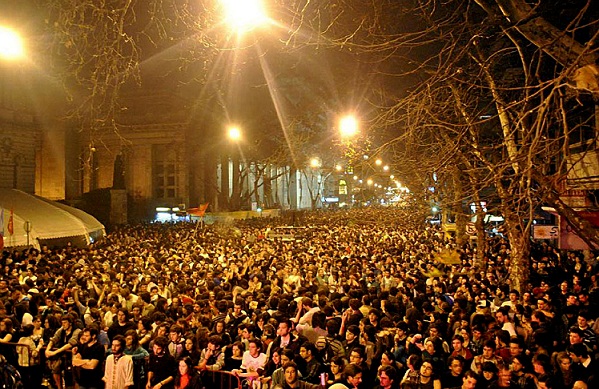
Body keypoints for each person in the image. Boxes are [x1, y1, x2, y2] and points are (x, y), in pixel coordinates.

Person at [45, 314, 82, 389]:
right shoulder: (62, 329)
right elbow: (54, 339)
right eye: (62, 323)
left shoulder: (77, 331)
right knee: (55, 370)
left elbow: (70, 343)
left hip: (72, 356)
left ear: (70, 323)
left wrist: (55, 352)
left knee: (73, 377)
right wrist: (47, 350)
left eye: (65, 323)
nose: (63, 325)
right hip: (62, 356)